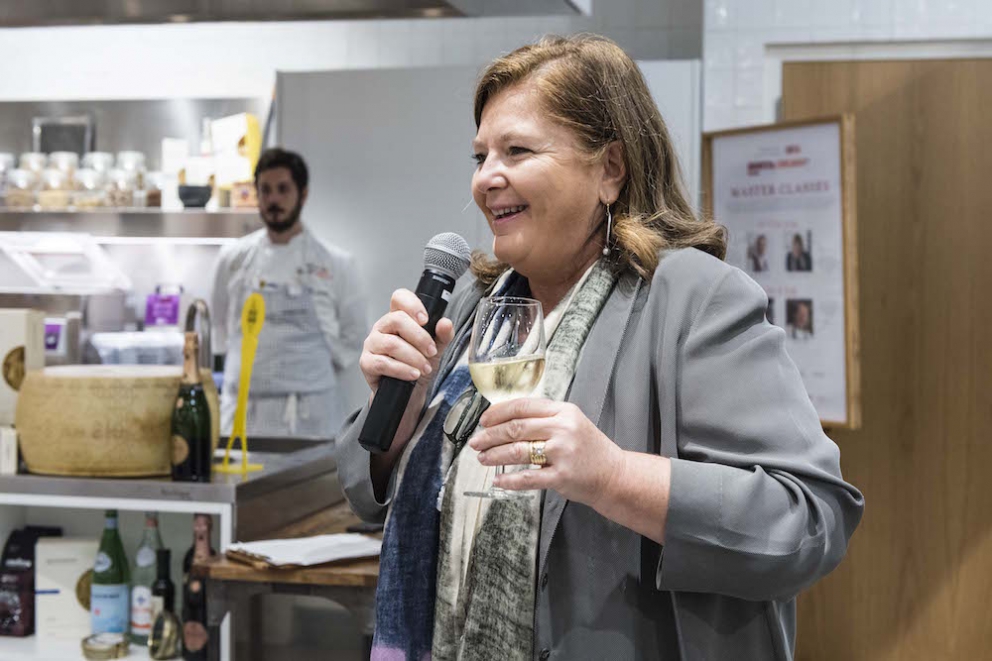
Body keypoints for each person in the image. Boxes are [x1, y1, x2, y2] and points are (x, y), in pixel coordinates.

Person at [336, 35, 863, 660]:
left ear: (609, 168)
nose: (486, 179)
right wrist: (402, 418)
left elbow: (809, 521)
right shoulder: (481, 308)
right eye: (480, 156)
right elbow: (369, 493)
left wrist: (612, 476)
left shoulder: (694, 297)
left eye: (517, 150)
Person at [210, 148, 367, 438]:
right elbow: (218, 327)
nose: (273, 200)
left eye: (283, 189)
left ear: (302, 194)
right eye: (265, 190)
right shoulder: (232, 259)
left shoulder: (335, 263)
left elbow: (354, 334)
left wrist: (309, 369)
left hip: (311, 415)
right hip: (243, 413)